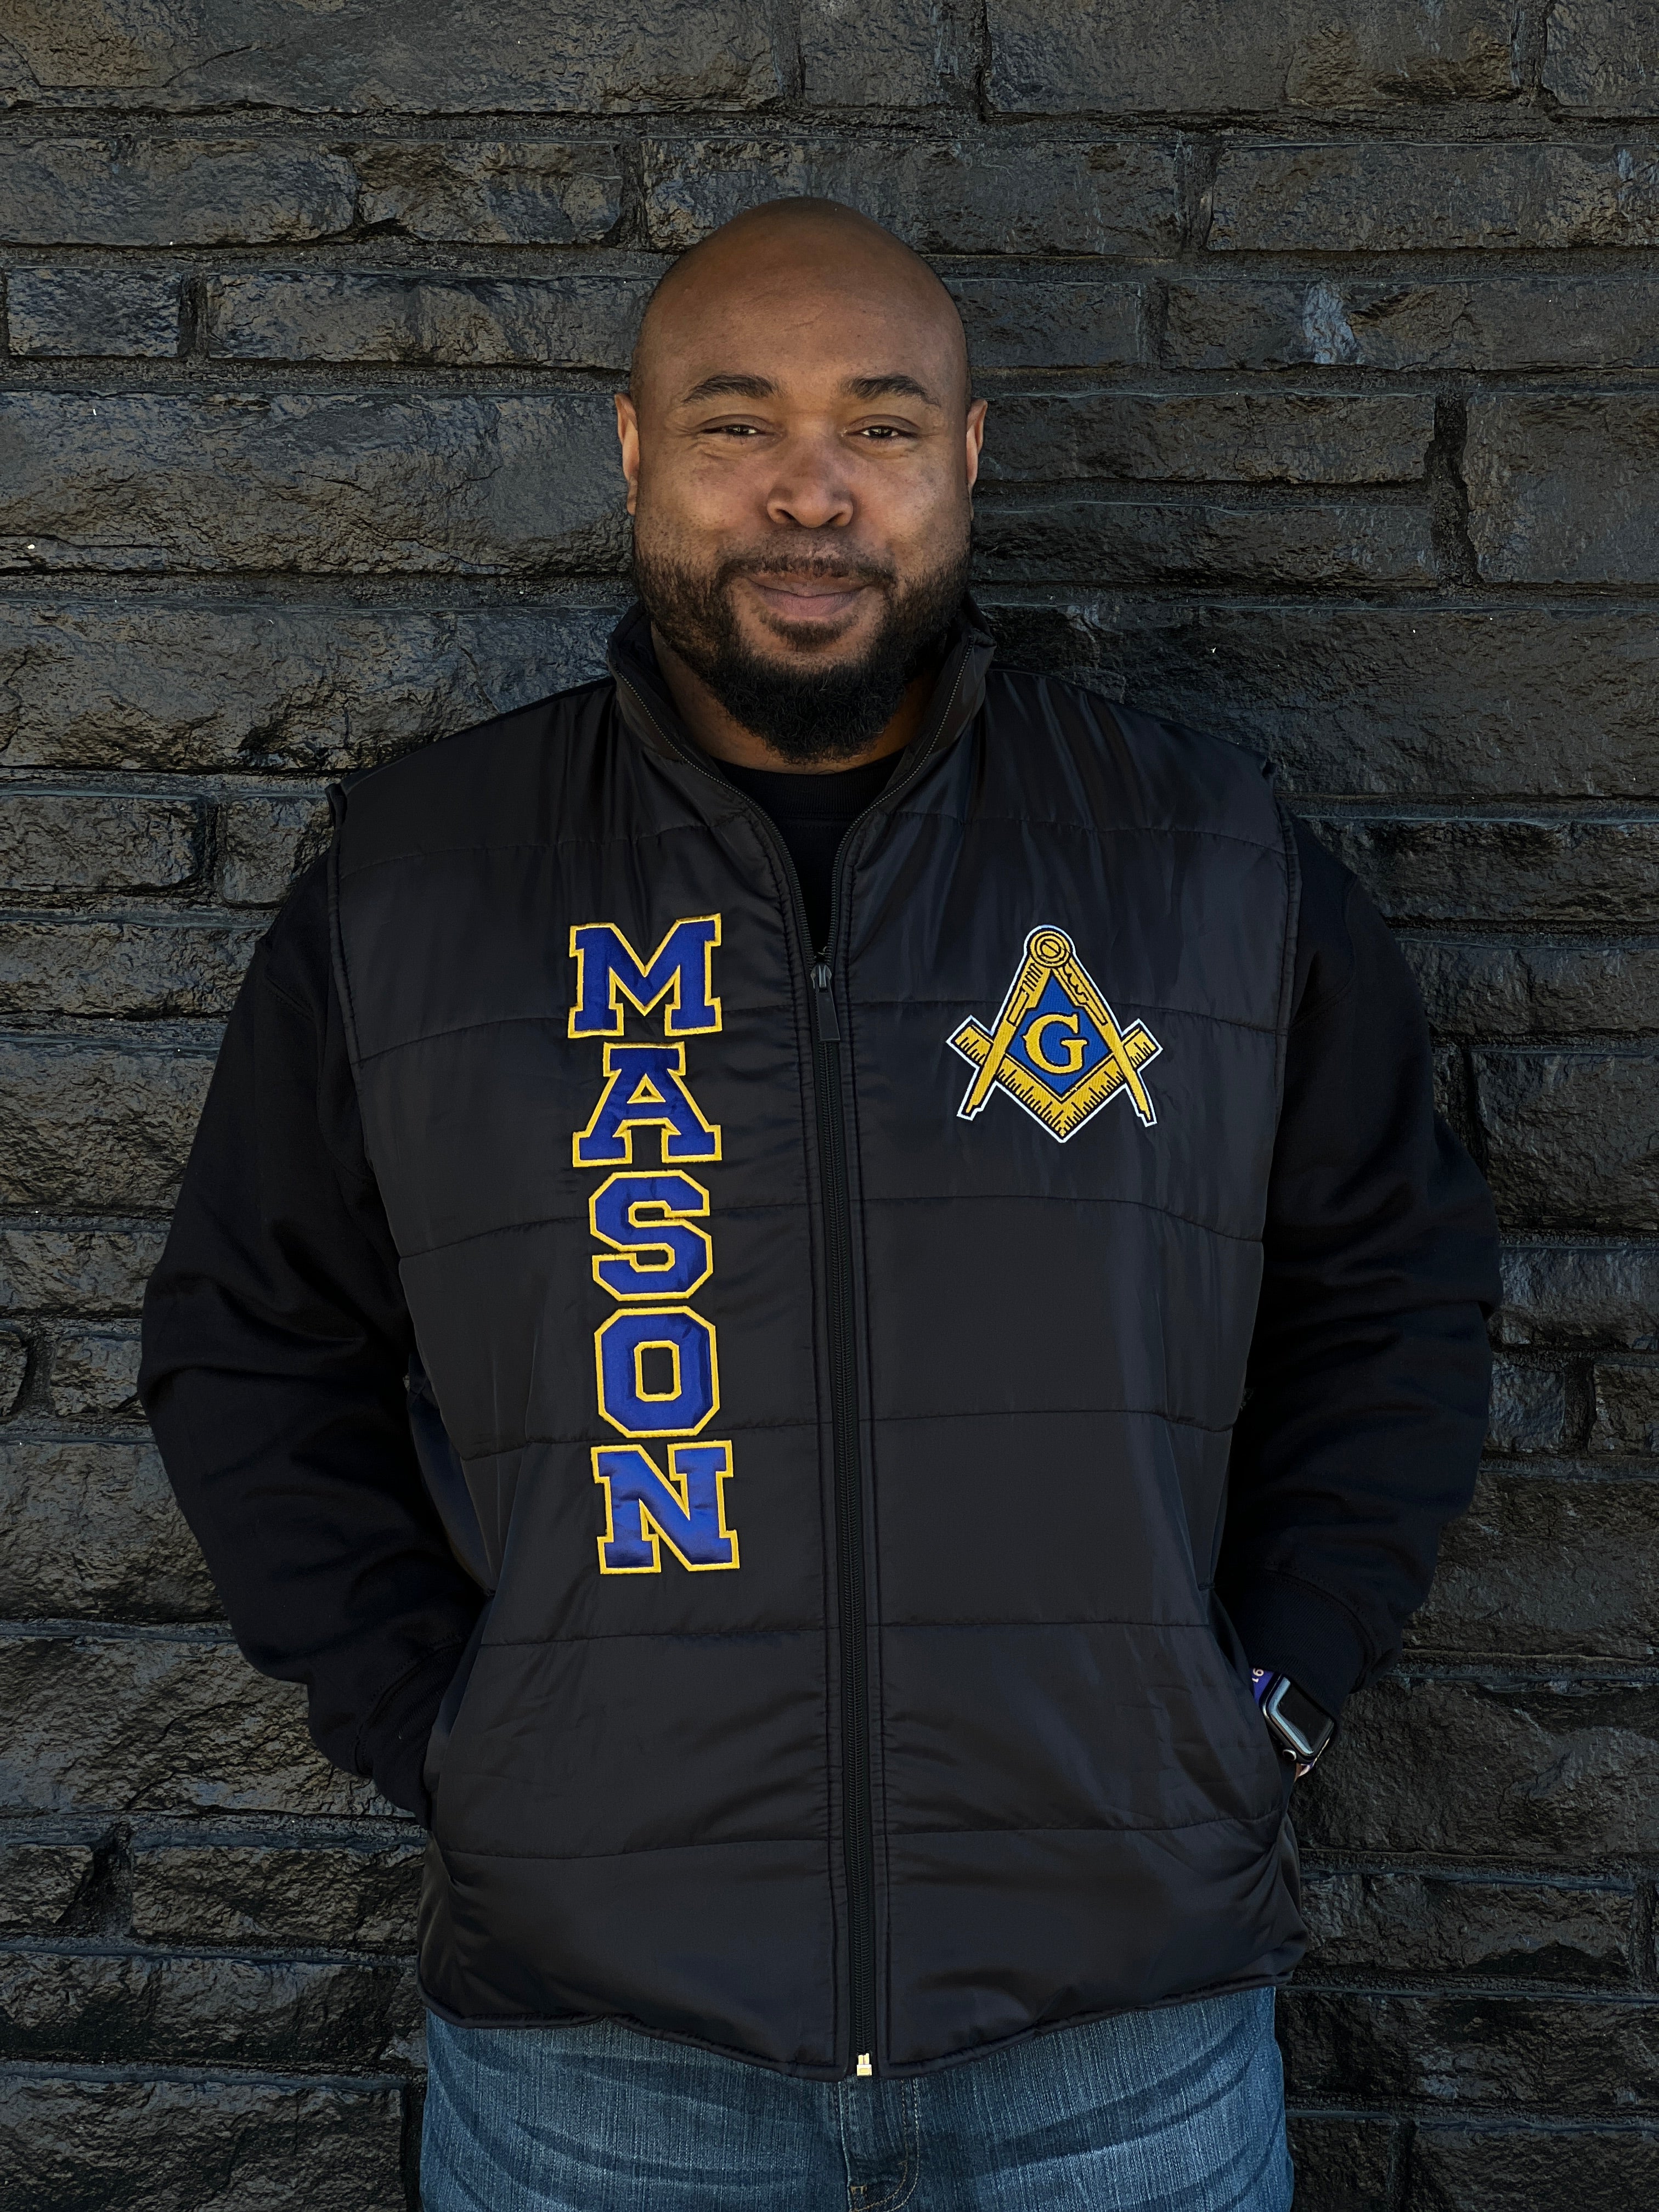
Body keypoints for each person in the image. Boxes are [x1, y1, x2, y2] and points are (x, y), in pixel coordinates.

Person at [140, 199, 1499, 2211]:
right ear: (633, 451)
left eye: (878, 424)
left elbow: (1395, 1299)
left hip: (1117, 2059)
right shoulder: (421, 882)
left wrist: (1261, 1706)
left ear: (970, 453)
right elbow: (252, 1348)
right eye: (736, 424)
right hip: (603, 2074)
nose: (810, 492)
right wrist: (459, 1742)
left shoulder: (1207, 858)